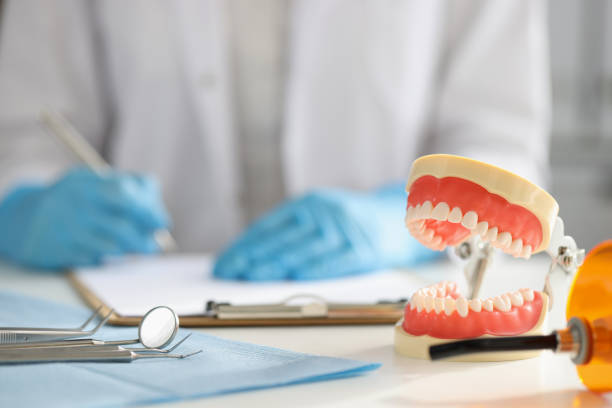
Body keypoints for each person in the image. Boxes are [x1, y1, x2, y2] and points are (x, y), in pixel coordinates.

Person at [0, 1, 550, 279]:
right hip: (132, 311)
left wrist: (404, 223)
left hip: (393, 309)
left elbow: (500, 140)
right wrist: (24, 204)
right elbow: (32, 126)